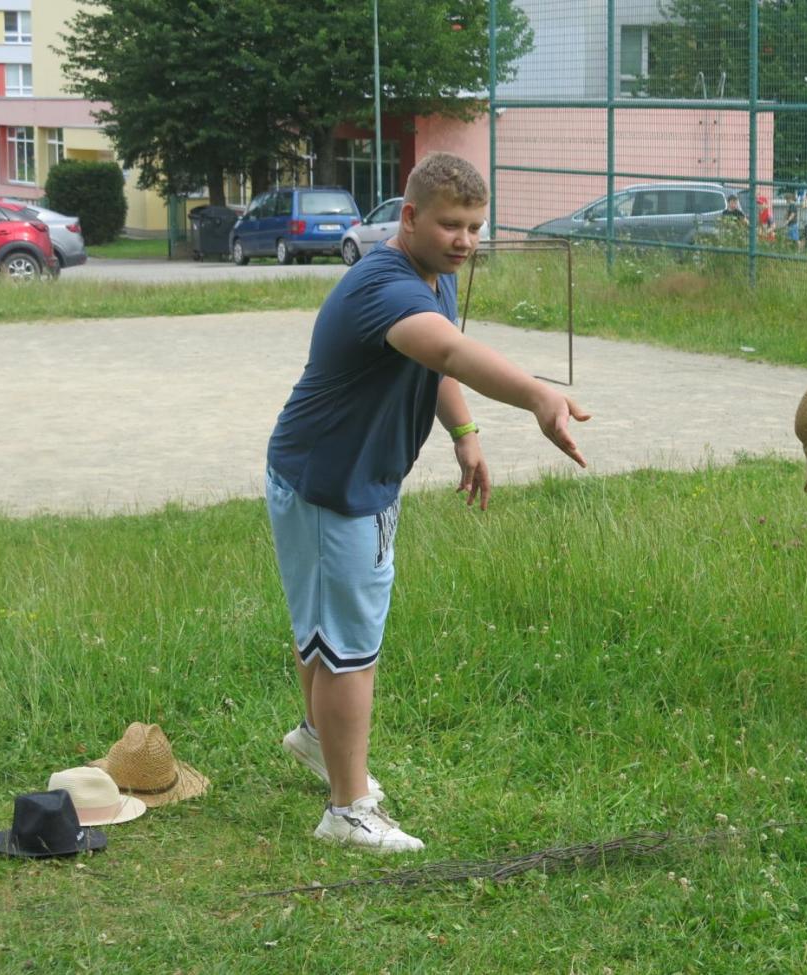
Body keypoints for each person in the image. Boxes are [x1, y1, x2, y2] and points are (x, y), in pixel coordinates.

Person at [266, 151, 590, 851]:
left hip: (335, 476)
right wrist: (539, 395)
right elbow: (445, 352)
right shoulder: (385, 286)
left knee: (325, 627)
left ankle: (320, 738)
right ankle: (347, 810)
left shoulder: (431, 277)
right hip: (333, 486)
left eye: (475, 226)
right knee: (350, 645)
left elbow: (433, 362)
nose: (465, 241)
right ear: (409, 217)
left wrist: (465, 435)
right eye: (451, 225)